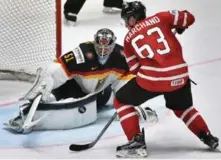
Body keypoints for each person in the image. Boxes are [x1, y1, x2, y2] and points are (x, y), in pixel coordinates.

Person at [113, 1, 219, 158]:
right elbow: (189, 17)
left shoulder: (128, 39)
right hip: (180, 77)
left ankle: (136, 143)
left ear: (132, 18)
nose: (127, 25)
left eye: (127, 19)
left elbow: (135, 70)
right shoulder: (162, 18)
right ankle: (207, 136)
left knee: (120, 100)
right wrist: (181, 26)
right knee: (183, 108)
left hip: (152, 80)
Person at [4, 28, 157, 134]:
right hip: (73, 88)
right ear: (94, 43)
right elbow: (56, 69)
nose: (103, 52)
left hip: (99, 91)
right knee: (54, 97)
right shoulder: (81, 53)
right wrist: (44, 87)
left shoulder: (121, 55)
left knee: (114, 100)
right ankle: (27, 113)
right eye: (99, 47)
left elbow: (128, 80)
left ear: (114, 44)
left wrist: (132, 104)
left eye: (107, 48)